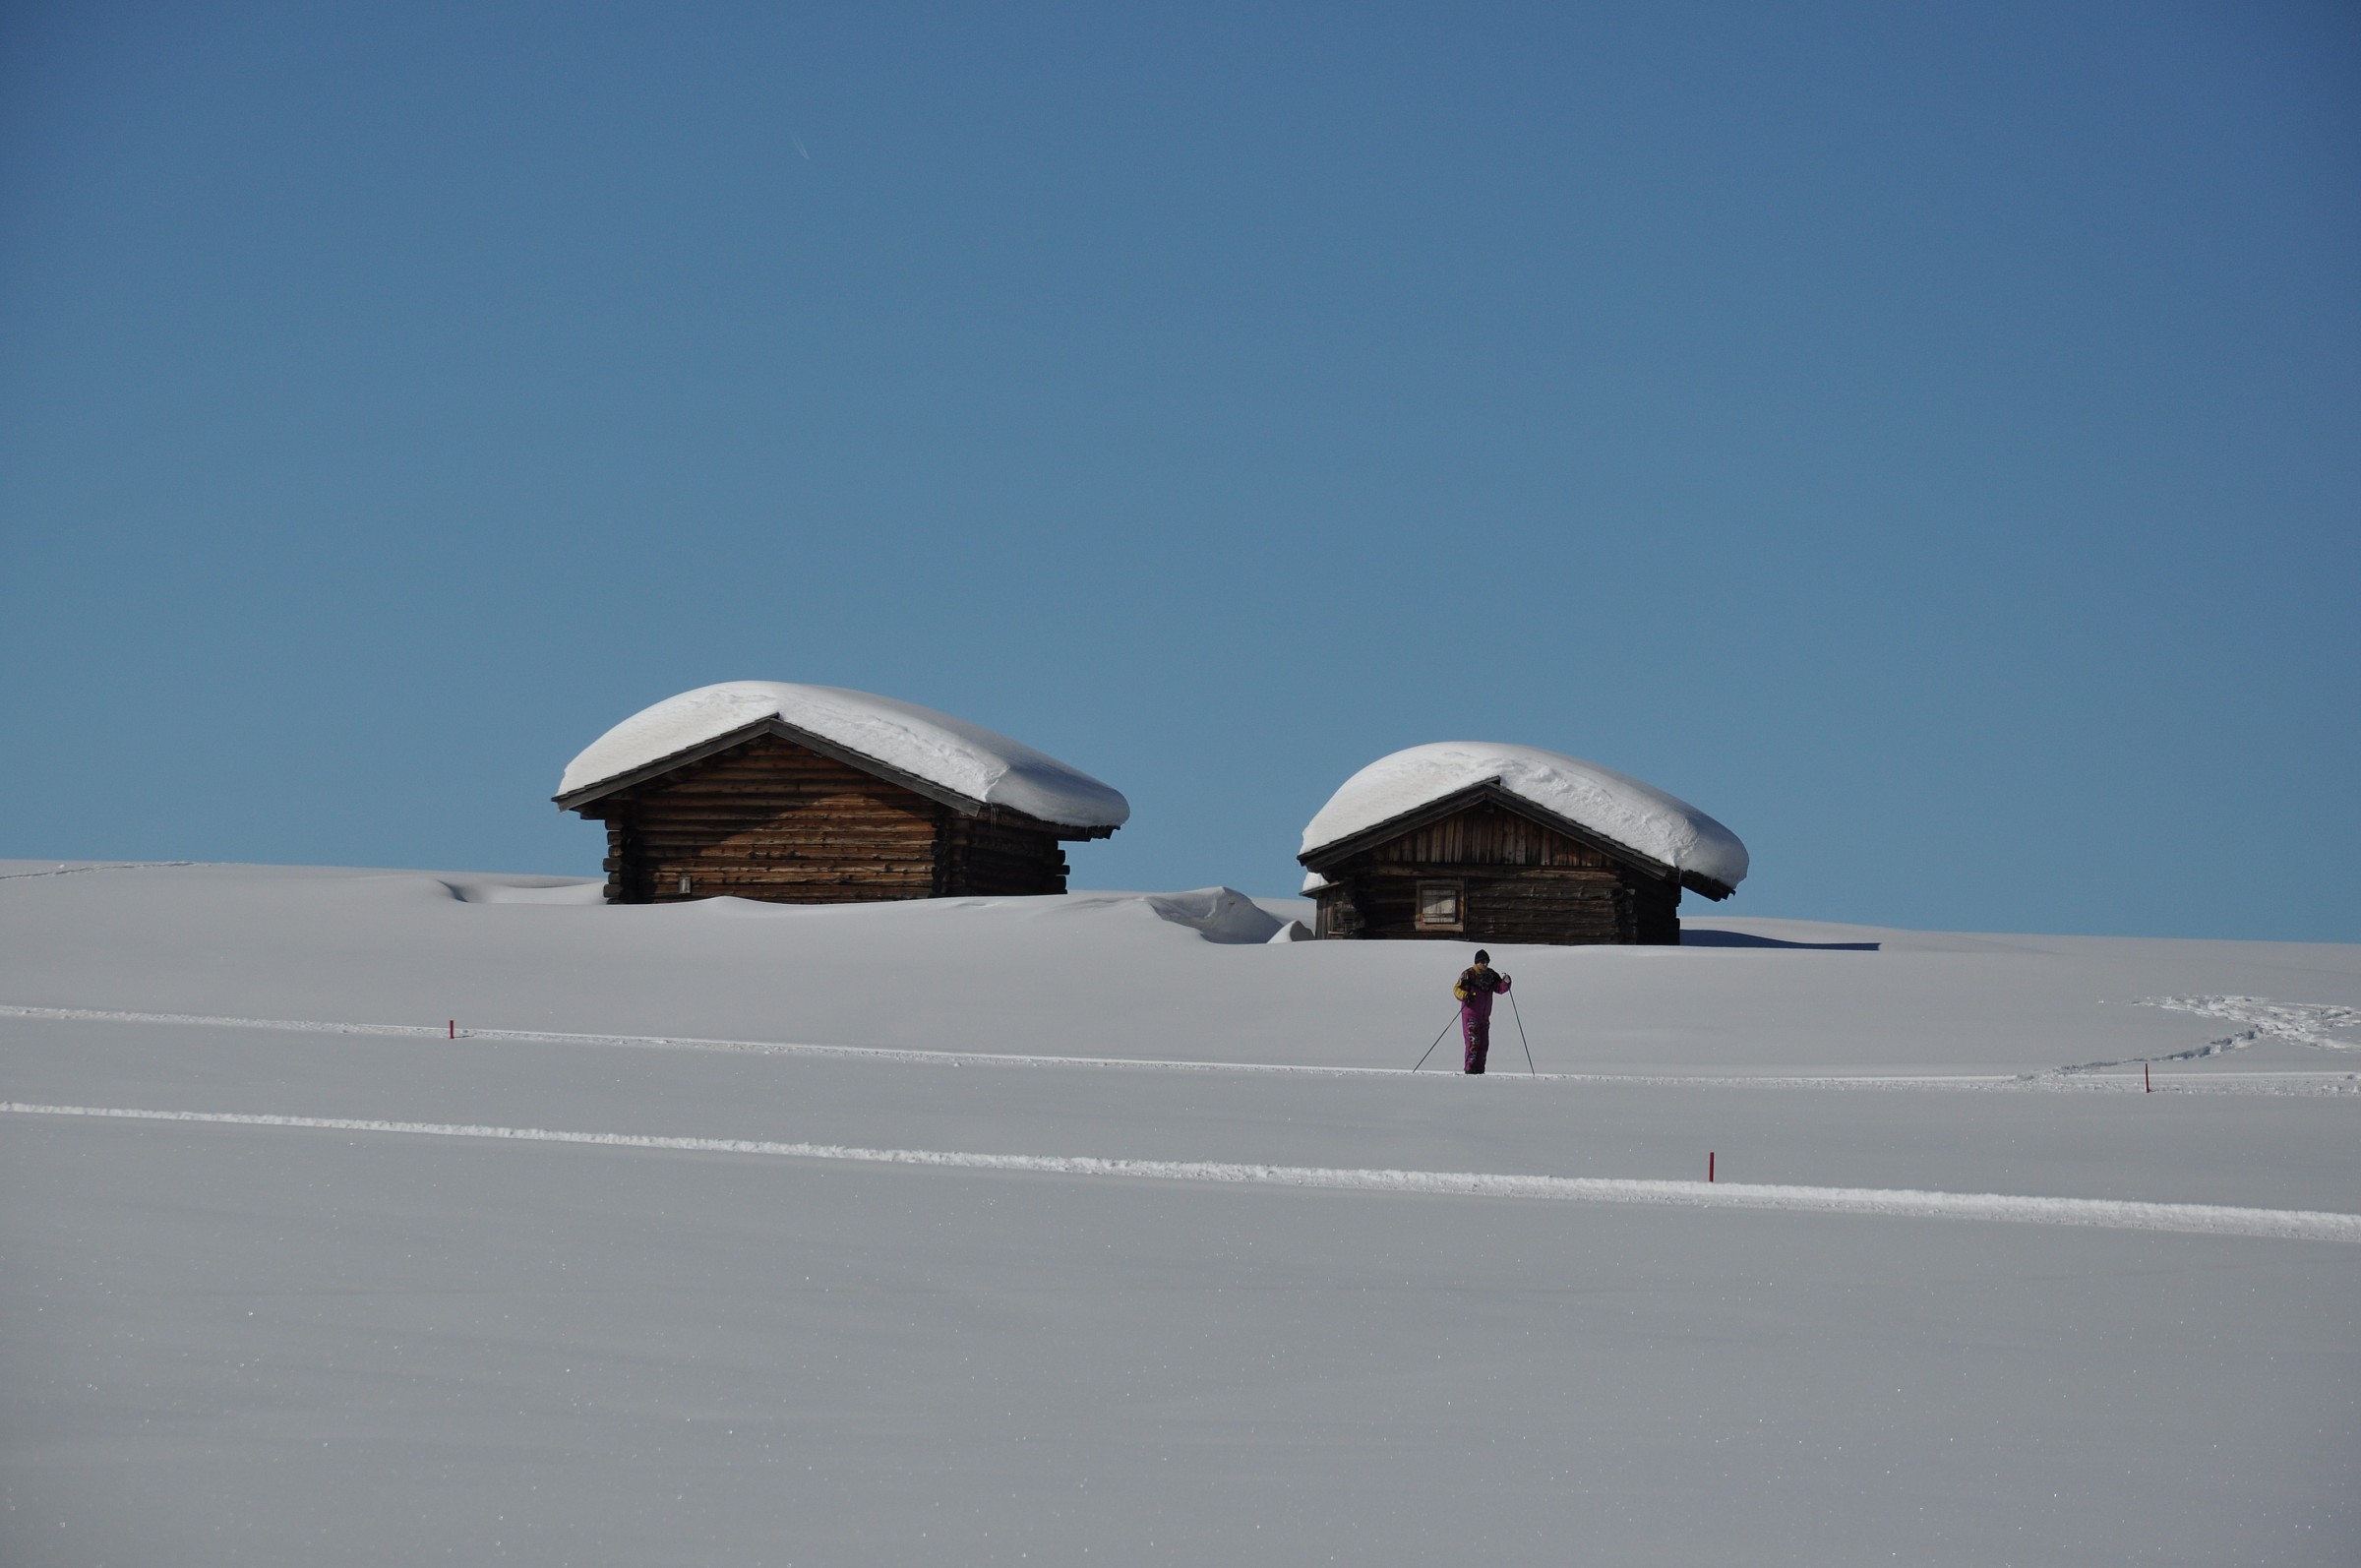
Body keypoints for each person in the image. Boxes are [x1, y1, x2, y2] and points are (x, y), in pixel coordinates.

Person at [1453, 950, 1511, 1074]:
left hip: (1484, 1016)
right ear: (1476, 962)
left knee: (1484, 1044)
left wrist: (1506, 983)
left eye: (1487, 962)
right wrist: (1465, 995)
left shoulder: (1491, 975)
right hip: (1470, 1015)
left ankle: (1480, 1071)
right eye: (1482, 962)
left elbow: (1499, 988)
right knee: (1473, 1043)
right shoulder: (1468, 974)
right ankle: (1469, 1069)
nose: (1485, 964)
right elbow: (1456, 989)